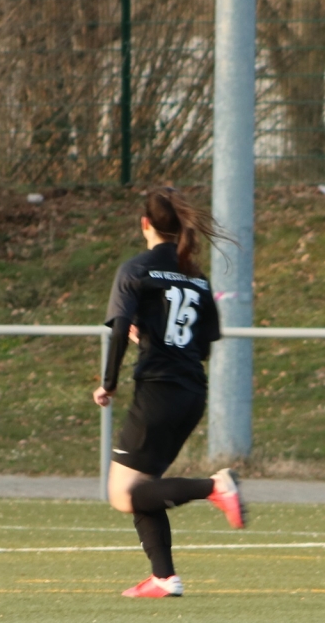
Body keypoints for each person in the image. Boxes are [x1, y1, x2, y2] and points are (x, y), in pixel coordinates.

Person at [92, 187, 247, 599]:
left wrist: (108, 383)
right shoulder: (196, 276)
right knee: (144, 487)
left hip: (159, 392)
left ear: (145, 224)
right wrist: (156, 336)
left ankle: (214, 487)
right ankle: (164, 577)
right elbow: (205, 344)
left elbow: (119, 330)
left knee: (123, 494)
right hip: (192, 393)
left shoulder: (136, 269)